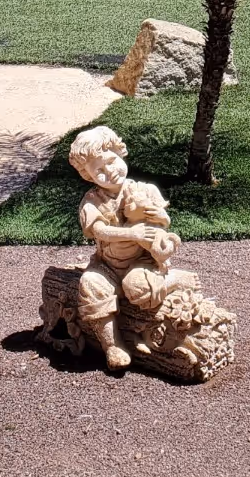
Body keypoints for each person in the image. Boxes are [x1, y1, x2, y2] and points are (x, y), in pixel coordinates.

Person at [68, 126, 195, 369]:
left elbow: (164, 223)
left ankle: (175, 280)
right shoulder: (92, 201)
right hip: (107, 265)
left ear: (120, 153)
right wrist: (131, 232)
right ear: (88, 175)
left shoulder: (145, 190)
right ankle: (112, 345)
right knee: (90, 284)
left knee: (138, 288)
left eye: (111, 162)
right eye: (99, 171)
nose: (109, 172)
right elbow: (100, 231)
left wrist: (159, 218)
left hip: (142, 262)